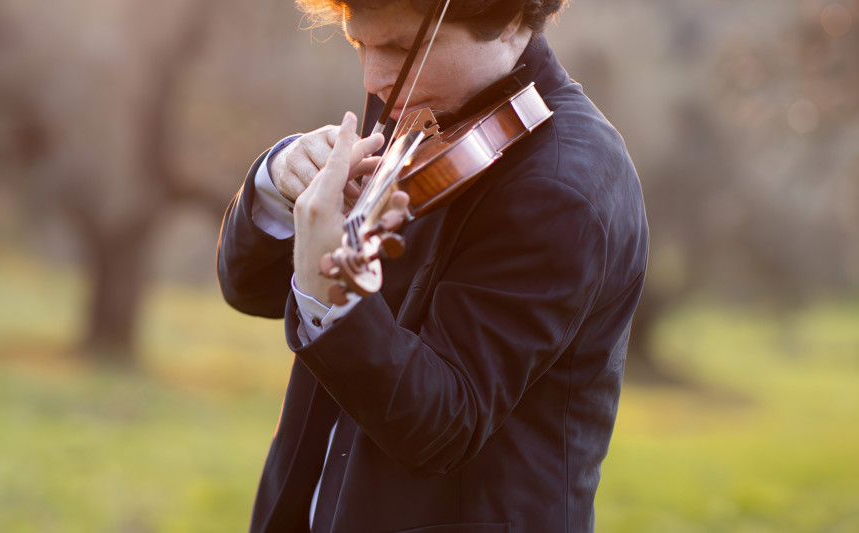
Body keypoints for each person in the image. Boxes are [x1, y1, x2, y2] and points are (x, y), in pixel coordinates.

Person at [217, 0, 649, 531]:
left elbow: (444, 424)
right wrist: (280, 181)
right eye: (360, 44)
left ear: (510, 19)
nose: (375, 79)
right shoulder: (416, 99)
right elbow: (250, 290)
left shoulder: (562, 187)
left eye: (401, 47)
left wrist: (333, 292)